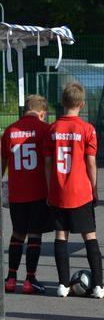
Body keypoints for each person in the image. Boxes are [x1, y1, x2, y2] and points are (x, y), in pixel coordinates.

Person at [45, 83, 104, 298]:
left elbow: (48, 164)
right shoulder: (87, 129)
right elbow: (91, 163)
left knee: (61, 235)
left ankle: (62, 284)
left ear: (62, 102)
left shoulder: (52, 129)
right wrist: (94, 189)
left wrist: (50, 189)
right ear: (82, 104)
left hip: (58, 191)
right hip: (80, 191)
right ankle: (98, 286)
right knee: (89, 236)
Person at [2, 95, 51, 295]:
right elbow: (48, 161)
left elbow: (3, 161)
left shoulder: (10, 130)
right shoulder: (45, 129)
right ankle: (30, 279)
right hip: (38, 191)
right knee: (34, 235)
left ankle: (11, 278)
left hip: (17, 193)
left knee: (17, 233)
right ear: (42, 113)